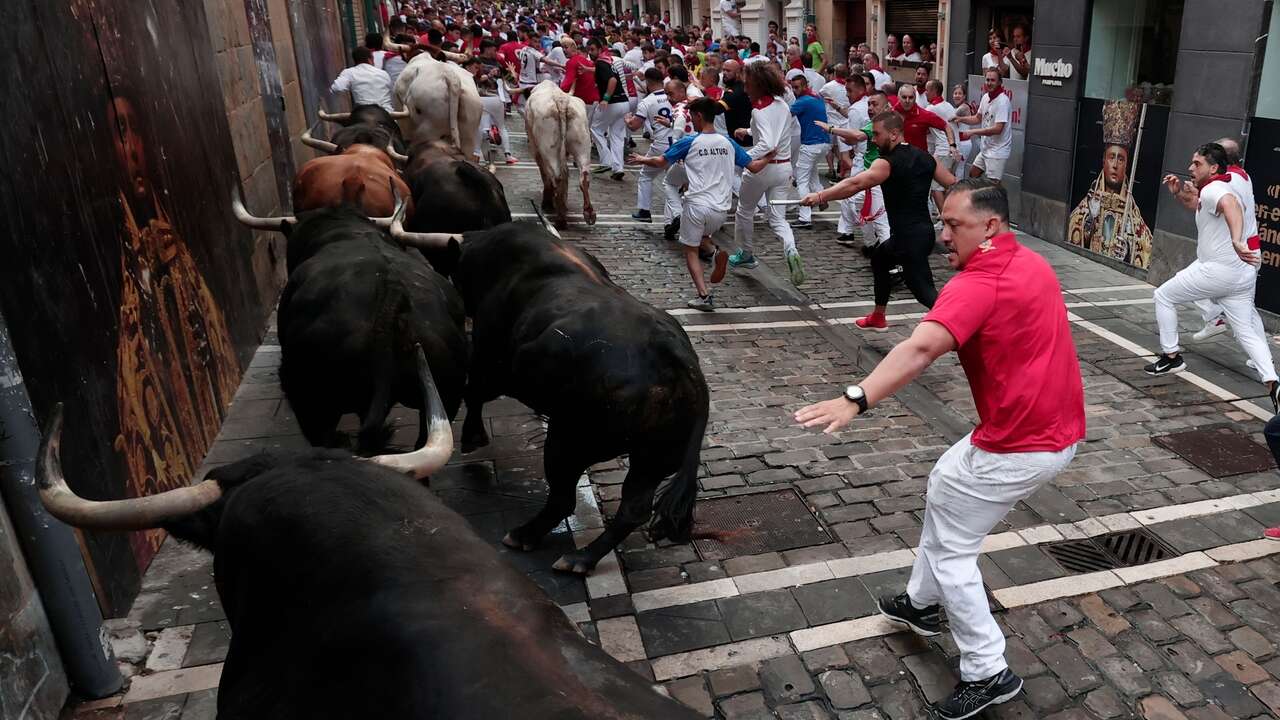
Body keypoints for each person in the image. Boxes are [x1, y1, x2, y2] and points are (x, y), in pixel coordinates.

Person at [795, 179, 1085, 720]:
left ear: (991, 226)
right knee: (945, 486)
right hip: (1049, 430)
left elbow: (921, 347)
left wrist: (855, 398)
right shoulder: (1032, 262)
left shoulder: (978, 282)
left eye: (954, 226)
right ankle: (921, 603)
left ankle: (988, 671)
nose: (942, 235)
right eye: (942, 222)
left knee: (955, 552)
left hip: (1019, 443)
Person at [1144, 143, 1280, 414]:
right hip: (1240, 275)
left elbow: (1230, 207)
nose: (1190, 168)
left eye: (1197, 164)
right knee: (1246, 331)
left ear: (1214, 167)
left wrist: (1237, 240)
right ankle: (1273, 383)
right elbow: (1201, 206)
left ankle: (1171, 356)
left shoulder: (1219, 189)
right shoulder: (1214, 187)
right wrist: (1178, 193)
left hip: (1218, 270)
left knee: (1164, 295)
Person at [801, 111, 957, 329]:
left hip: (909, 239)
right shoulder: (927, 157)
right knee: (880, 259)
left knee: (924, 292)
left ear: (894, 134)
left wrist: (819, 196)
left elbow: (854, 184)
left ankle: (963, 324)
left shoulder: (886, 163)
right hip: (920, 233)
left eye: (876, 134)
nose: (873, 140)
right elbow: (953, 184)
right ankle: (878, 315)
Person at [631, 98, 774, 310]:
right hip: (721, 210)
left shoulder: (689, 141)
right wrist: (770, 158)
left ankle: (703, 295)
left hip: (697, 205)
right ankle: (715, 254)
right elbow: (753, 166)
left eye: (692, 116)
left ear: (698, 116)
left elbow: (661, 162)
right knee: (703, 236)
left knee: (690, 250)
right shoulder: (728, 142)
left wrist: (642, 159)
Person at [728, 61, 804, 286]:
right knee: (778, 218)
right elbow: (776, 129)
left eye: (748, 84)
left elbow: (768, 142)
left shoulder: (758, 110)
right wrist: (748, 130)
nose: (745, 87)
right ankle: (791, 249)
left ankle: (746, 253)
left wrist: (743, 155)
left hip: (762, 168)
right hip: (784, 168)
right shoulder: (781, 104)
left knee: (745, 209)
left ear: (758, 85)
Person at [1188, 138, 1263, 341]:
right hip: (1247, 249)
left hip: (1239, 250)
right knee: (1246, 308)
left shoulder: (1229, 180)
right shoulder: (1242, 176)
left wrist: (1196, 190)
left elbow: (1224, 202)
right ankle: (1261, 358)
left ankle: (1214, 319)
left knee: (1195, 278)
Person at [1066, 100, 1153, 268]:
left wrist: (1128, 249)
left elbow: (1145, 245)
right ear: (1103, 161)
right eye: (1111, 157)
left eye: (1120, 159)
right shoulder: (1089, 204)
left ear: (1126, 165)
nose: (1115, 165)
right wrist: (1089, 220)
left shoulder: (1133, 216)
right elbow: (1074, 228)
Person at [823, 83, 890, 252]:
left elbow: (858, 136)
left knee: (881, 221)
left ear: (886, 106)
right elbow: (855, 137)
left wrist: (831, 129)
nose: (870, 108)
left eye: (875, 104)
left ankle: (889, 256)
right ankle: (871, 244)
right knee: (855, 202)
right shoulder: (874, 122)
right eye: (869, 104)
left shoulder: (883, 123)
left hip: (879, 179)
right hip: (871, 176)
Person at [628, 68, 673, 222]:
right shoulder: (674, 95)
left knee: (646, 175)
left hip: (661, 144)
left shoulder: (647, 101)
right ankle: (675, 215)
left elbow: (635, 126)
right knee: (674, 181)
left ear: (647, 82)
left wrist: (627, 120)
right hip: (678, 142)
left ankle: (644, 210)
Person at [956, 68, 1012, 182]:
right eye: (987, 80)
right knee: (973, 174)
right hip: (986, 148)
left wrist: (973, 132)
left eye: (993, 80)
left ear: (1000, 82)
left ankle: (997, 199)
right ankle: (983, 198)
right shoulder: (986, 97)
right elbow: (977, 118)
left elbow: (998, 129)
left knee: (994, 185)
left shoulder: (1003, 102)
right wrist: (960, 119)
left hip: (998, 150)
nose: (989, 83)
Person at [788, 73, 830, 230]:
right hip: (823, 142)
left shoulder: (802, 101)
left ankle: (804, 217)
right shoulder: (816, 96)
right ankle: (821, 197)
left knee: (801, 179)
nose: (794, 90)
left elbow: (783, 117)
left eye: (797, 87)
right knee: (812, 174)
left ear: (805, 86)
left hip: (811, 144)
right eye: (793, 87)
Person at [587, 38, 629, 180]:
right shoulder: (608, 61)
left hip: (613, 103)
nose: (590, 52)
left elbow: (612, 80)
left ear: (600, 49)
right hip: (624, 102)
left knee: (595, 129)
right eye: (589, 50)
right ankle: (618, 168)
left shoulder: (600, 63)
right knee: (616, 135)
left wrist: (605, 98)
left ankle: (606, 161)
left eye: (592, 49)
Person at [467, 53, 518, 164]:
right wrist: (512, 71)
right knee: (501, 127)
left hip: (480, 99)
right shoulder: (498, 66)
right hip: (496, 100)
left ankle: (477, 153)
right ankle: (508, 155)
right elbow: (514, 81)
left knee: (480, 128)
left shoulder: (474, 69)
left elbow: (478, 79)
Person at [924, 80, 962, 221]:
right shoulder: (948, 106)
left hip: (944, 151)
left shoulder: (931, 109)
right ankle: (952, 217)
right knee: (947, 187)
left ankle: (945, 220)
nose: (926, 93)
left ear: (934, 91)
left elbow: (924, 128)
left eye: (928, 90)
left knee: (936, 189)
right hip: (954, 151)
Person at [329, 47, 394, 112]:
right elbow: (392, 94)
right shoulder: (384, 73)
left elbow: (337, 88)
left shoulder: (349, 72)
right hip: (386, 112)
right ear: (369, 59)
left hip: (363, 112)